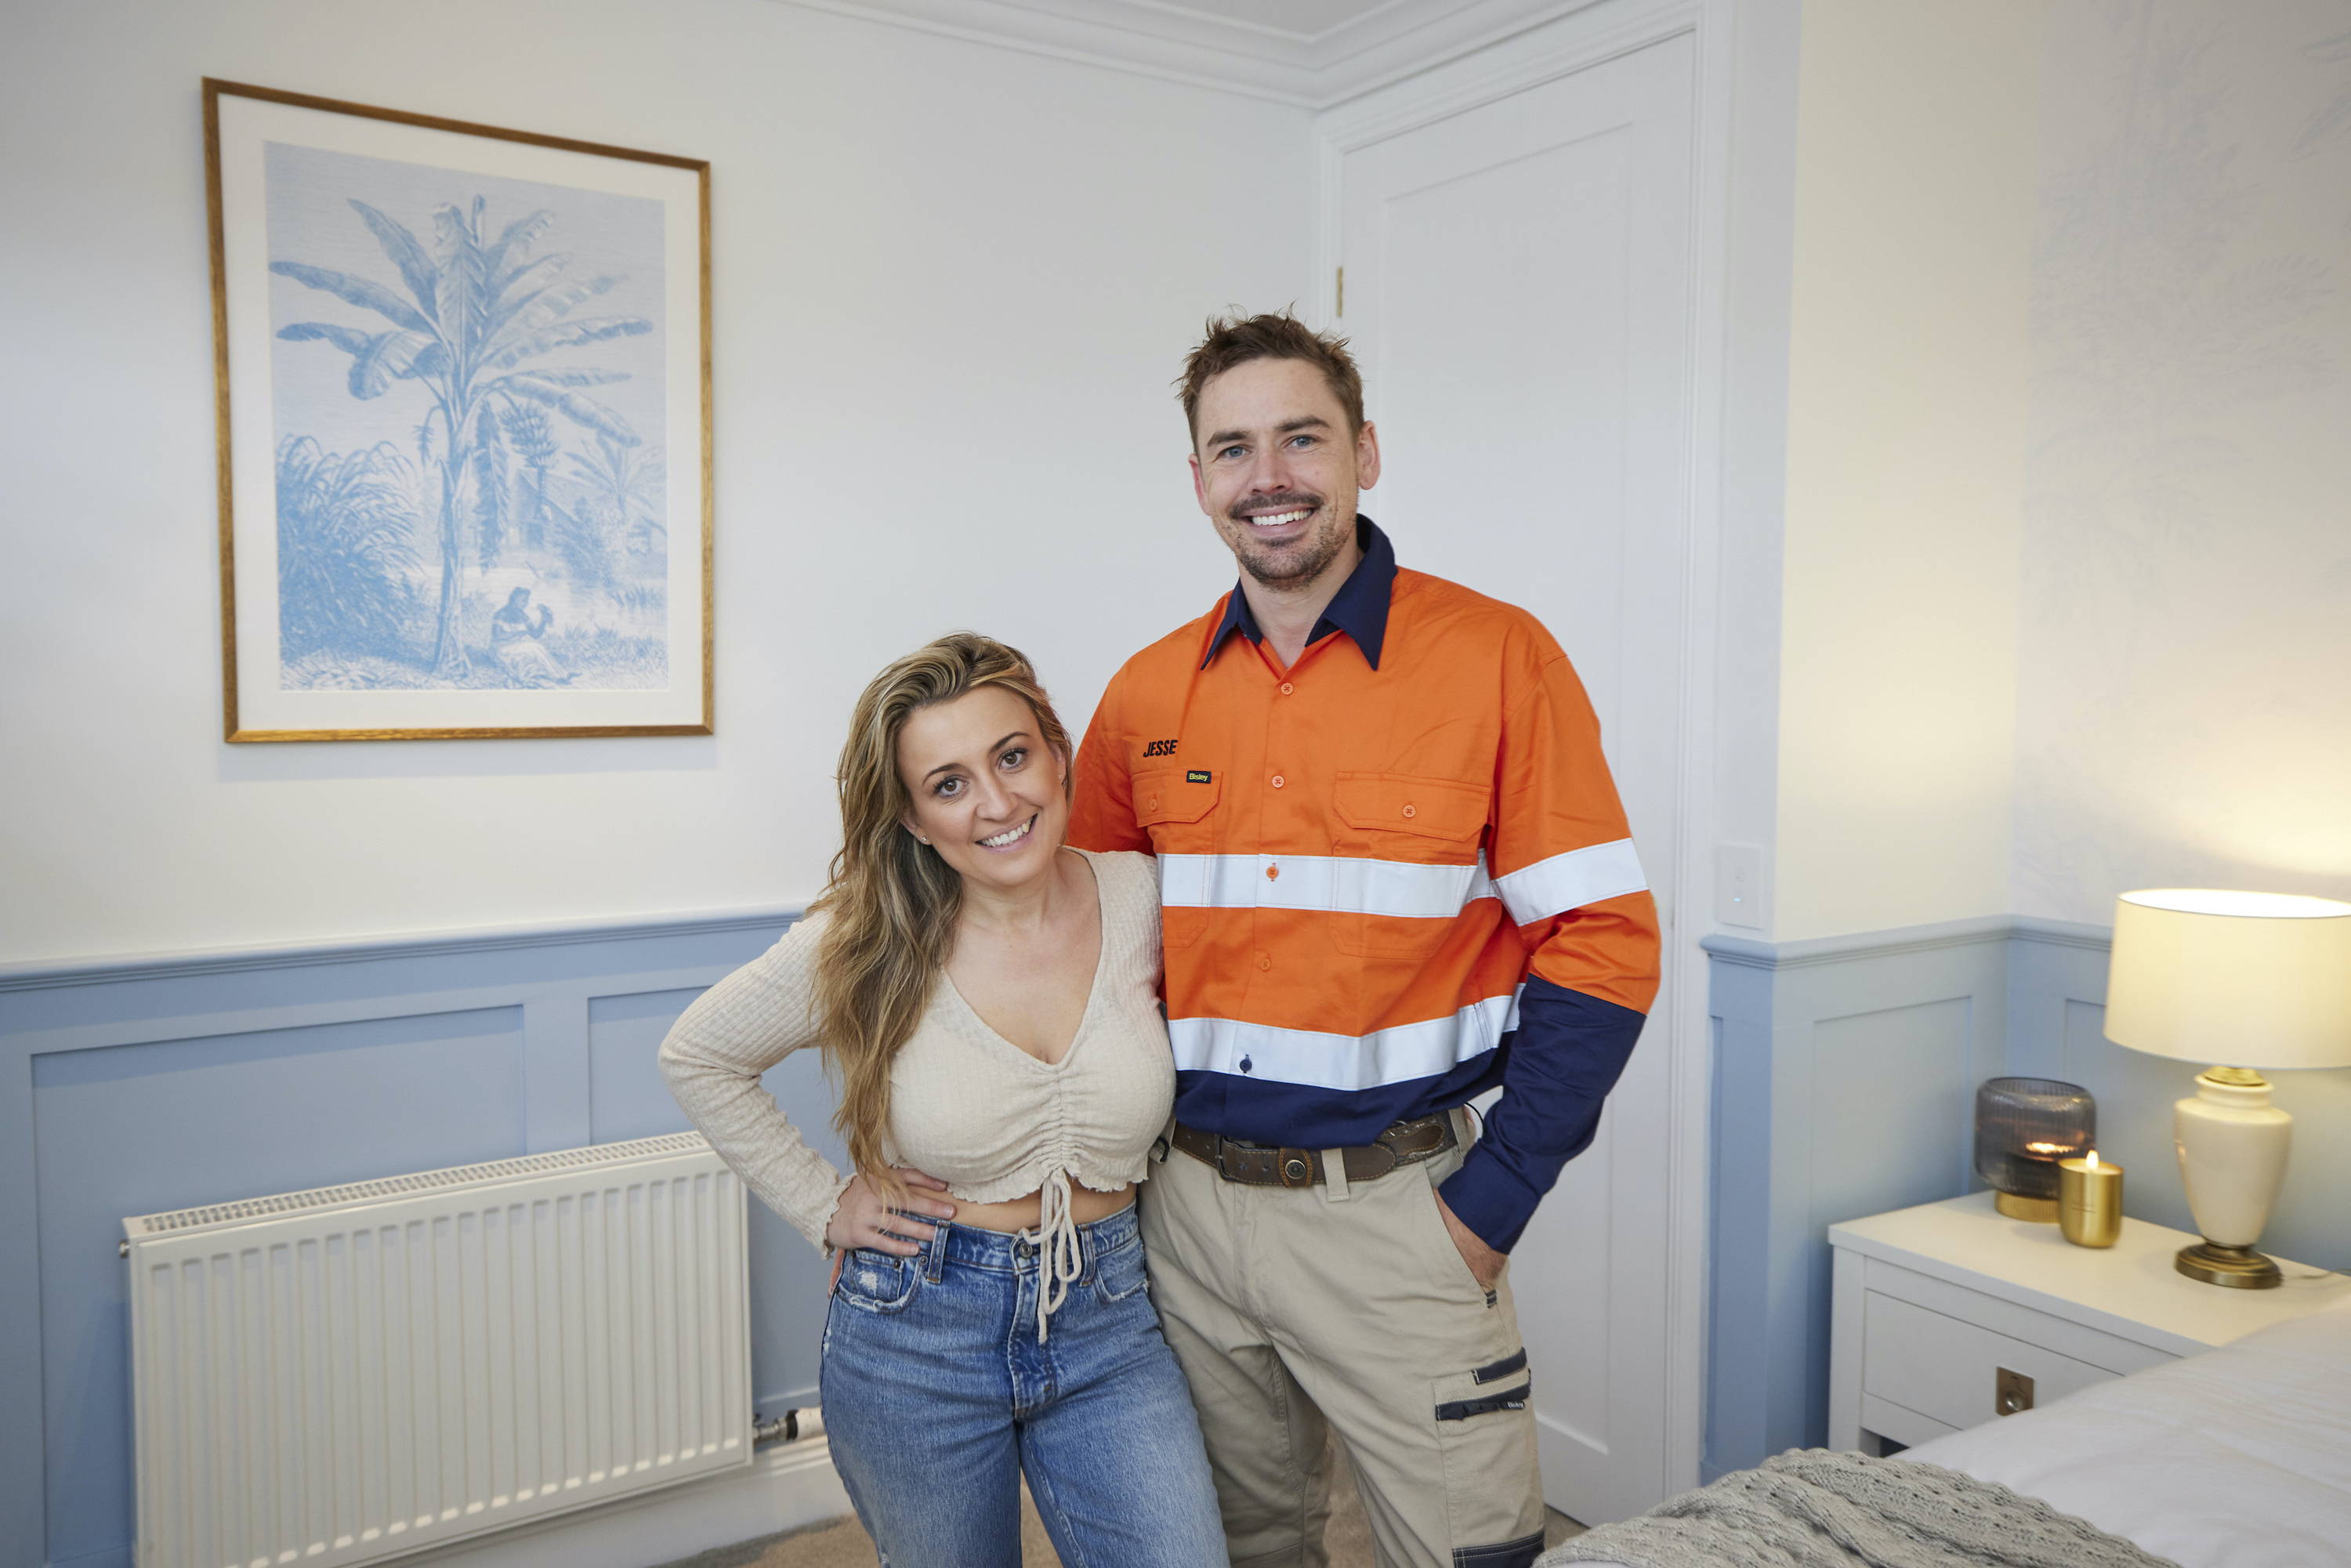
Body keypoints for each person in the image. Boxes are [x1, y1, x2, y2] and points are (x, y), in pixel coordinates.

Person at [1067, 314, 1662, 1568]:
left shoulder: (1499, 657)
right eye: (1233, 448)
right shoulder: (1142, 697)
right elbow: (1081, 948)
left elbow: (1602, 940)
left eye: (1302, 437)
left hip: (1401, 1215)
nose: (1268, 476)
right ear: (1198, 482)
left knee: (1471, 1552)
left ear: (1365, 453)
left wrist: (1491, 1203)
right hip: (1185, 1214)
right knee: (1240, 1548)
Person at [658, 633, 1224, 1568]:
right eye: (949, 784)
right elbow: (699, 1055)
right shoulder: (863, 936)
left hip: (1110, 1321)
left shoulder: (1141, 898)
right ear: (915, 819)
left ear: (1057, 752)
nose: (998, 804)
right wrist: (822, 1203)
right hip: (918, 1332)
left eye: (1013, 756)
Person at [490, 586, 572, 686]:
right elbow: (497, 637)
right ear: (514, 600)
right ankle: (557, 677)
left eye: (527, 600)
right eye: (524, 601)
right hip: (501, 648)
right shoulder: (501, 614)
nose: (526, 604)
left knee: (537, 646)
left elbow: (535, 634)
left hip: (514, 646)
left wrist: (544, 620)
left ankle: (563, 674)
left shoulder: (522, 615)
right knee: (533, 647)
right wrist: (519, 633)